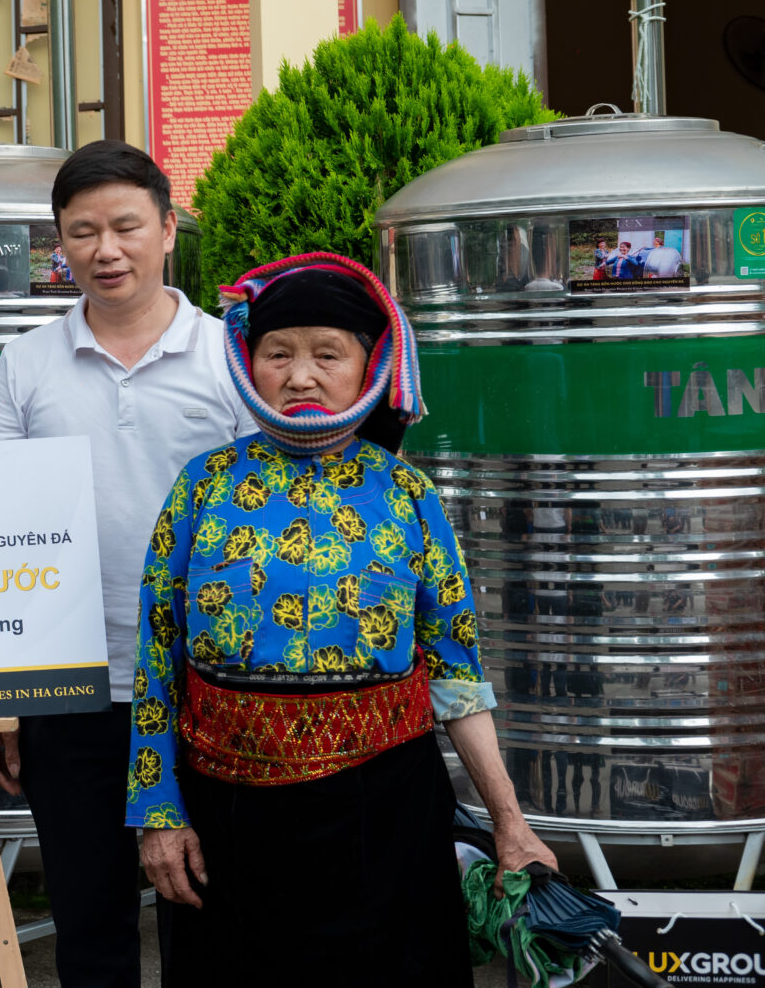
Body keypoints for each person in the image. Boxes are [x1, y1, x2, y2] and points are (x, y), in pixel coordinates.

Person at [127, 251, 557, 988]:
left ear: (371, 367)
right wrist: (158, 813)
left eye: (328, 354)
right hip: (229, 818)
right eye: (278, 354)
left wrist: (510, 824)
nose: (300, 376)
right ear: (246, 360)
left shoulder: (407, 495)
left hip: (383, 815)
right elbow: (157, 659)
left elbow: (457, 676)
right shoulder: (203, 487)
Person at [0, 142, 254, 987]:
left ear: (169, 230)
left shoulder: (231, 359)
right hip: (72, 685)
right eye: (82, 232)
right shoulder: (27, 363)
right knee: (88, 917)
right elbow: (1, 529)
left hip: (207, 681)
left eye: (127, 226)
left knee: (210, 912)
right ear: (59, 245)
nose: (106, 250)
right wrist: (1, 692)